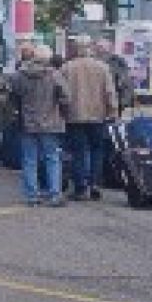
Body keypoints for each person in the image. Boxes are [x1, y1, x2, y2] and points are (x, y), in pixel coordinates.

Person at [8, 45, 70, 206]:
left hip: (27, 122)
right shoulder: (55, 75)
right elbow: (66, 98)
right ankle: (54, 194)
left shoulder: (20, 75)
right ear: (48, 58)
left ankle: (32, 196)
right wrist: (61, 110)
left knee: (29, 160)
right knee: (52, 158)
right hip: (50, 122)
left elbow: (12, 95)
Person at [63, 39, 118, 202]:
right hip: (97, 115)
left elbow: (61, 92)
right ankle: (95, 183)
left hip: (75, 116)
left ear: (76, 50)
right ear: (91, 50)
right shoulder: (102, 67)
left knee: (78, 151)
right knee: (97, 150)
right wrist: (113, 111)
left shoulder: (67, 68)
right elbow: (110, 92)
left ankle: (80, 187)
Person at [95, 39, 133, 114]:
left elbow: (125, 83)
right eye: (98, 47)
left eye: (101, 47)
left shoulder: (117, 62)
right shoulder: (93, 61)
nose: (99, 50)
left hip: (113, 102)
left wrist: (122, 104)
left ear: (110, 48)